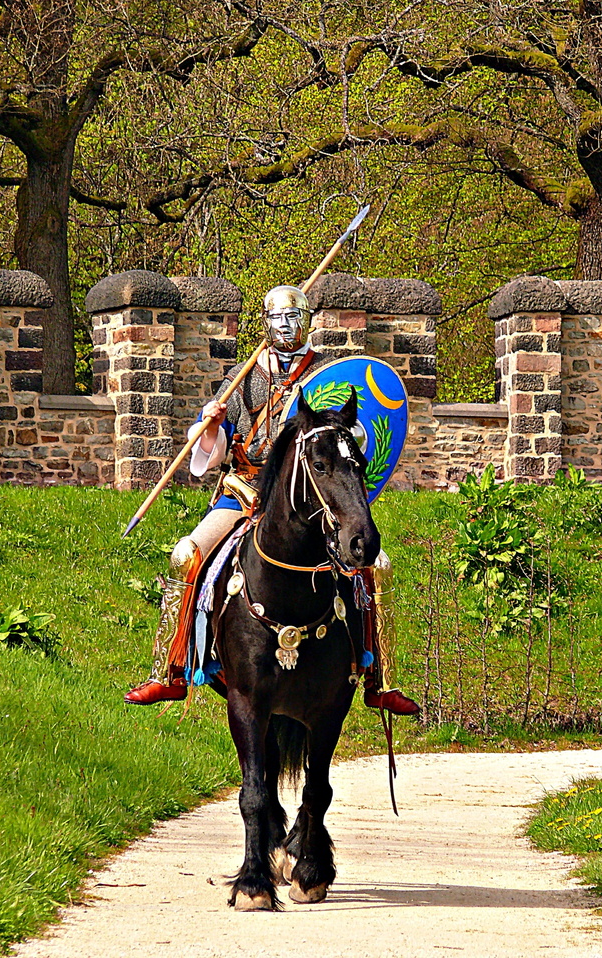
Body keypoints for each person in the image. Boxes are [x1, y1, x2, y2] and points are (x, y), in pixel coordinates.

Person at [124, 285, 420, 716]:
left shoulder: (326, 376)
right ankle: (170, 669)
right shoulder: (244, 378)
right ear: (266, 323)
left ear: (308, 322)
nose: (287, 327)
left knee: (376, 565)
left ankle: (380, 678)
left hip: (307, 500)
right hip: (243, 492)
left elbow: (346, 441)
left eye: (295, 318)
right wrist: (211, 425)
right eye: (279, 319)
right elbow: (217, 448)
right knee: (186, 554)